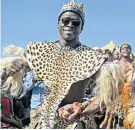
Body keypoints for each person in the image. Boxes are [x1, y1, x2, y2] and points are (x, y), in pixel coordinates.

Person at [5, 0, 123, 129]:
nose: (70, 25)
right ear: (58, 24)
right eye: (65, 21)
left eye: (76, 23)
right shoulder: (41, 51)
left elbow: (110, 93)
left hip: (74, 122)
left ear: (81, 28)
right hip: (45, 120)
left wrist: (83, 109)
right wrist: (12, 69)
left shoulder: (92, 57)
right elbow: (12, 79)